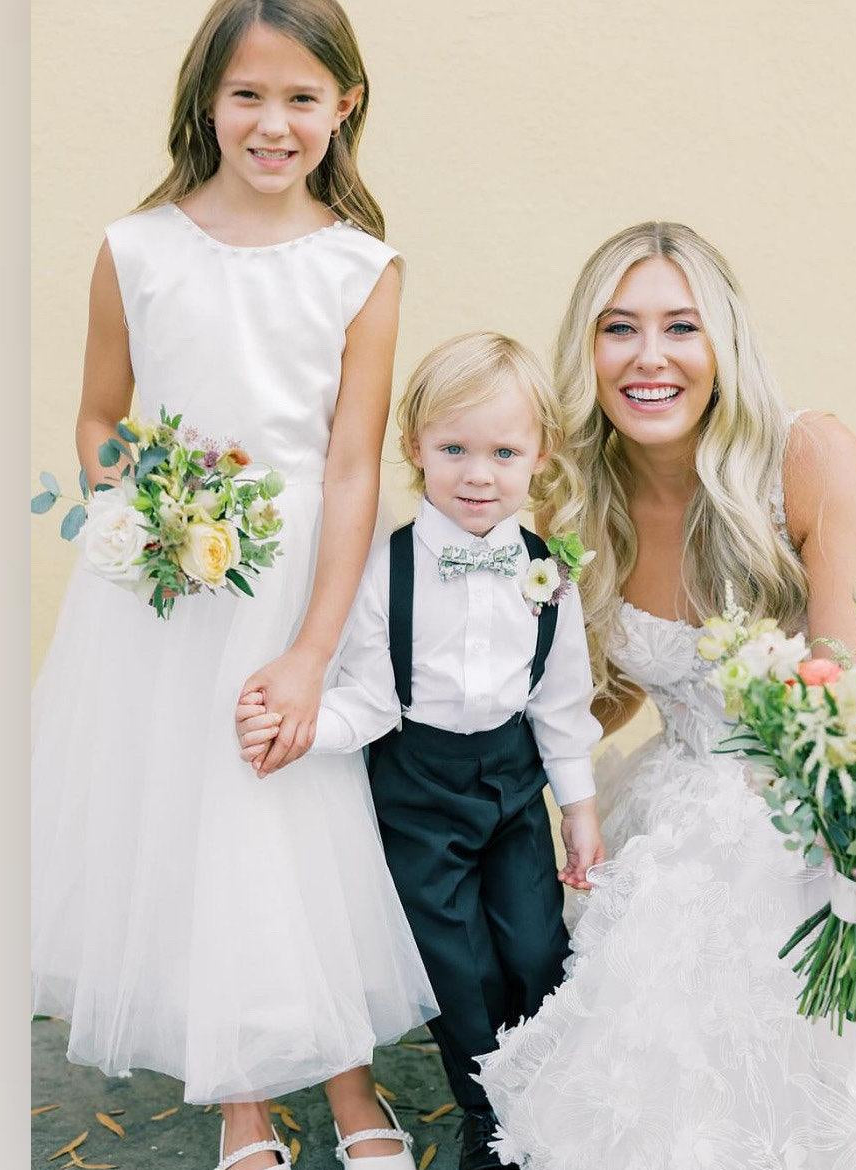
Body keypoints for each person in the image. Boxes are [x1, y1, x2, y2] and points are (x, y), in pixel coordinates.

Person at [474, 222, 856, 1170]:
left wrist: (855, 854)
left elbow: (854, 689)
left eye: (681, 328)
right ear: (587, 350)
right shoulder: (572, 495)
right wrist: (477, 761)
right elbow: (608, 691)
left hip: (814, 795)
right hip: (671, 791)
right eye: (619, 329)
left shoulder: (808, 457)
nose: (649, 358)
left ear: (724, 346)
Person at [30, 3, 438, 1167]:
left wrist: (314, 649)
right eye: (248, 95)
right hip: (169, 588)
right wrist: (140, 508)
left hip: (297, 578)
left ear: (343, 107)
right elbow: (101, 417)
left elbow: (353, 463)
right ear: (207, 101)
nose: (273, 123)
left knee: (298, 817)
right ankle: (242, 1107)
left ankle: (351, 1087)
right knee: (196, 823)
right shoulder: (136, 247)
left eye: (302, 98)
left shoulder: (362, 268)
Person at [237, 331, 605, 1170]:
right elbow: (366, 697)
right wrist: (304, 731)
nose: (479, 474)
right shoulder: (384, 569)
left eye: (504, 452)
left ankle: (544, 1095)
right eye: (455, 449)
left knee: (535, 946)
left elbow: (559, 698)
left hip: (513, 784)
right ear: (414, 449)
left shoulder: (551, 572)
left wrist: (577, 807)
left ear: (538, 456)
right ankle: (486, 1115)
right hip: (415, 782)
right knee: (456, 962)